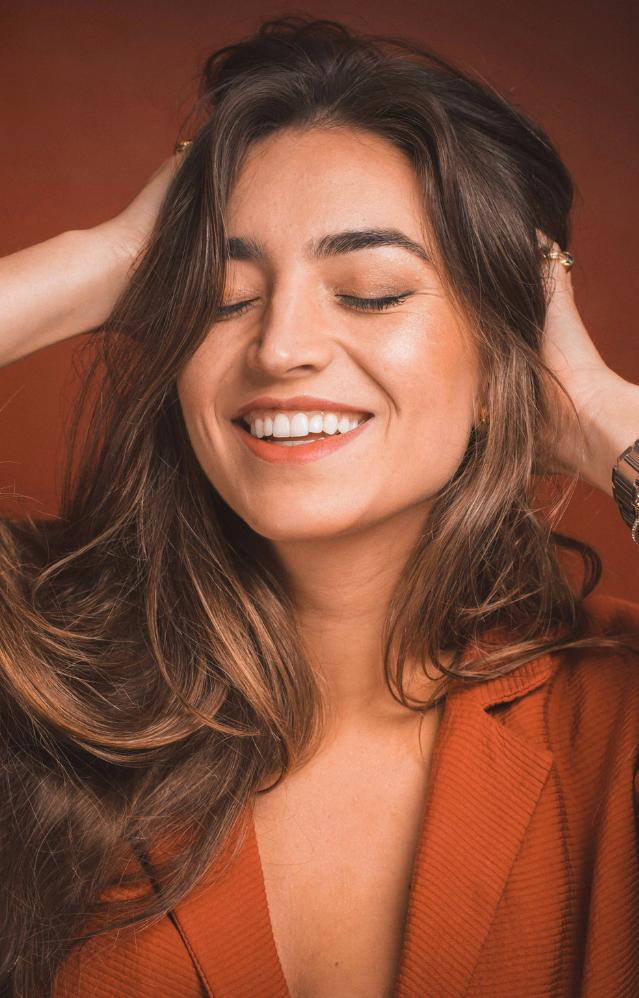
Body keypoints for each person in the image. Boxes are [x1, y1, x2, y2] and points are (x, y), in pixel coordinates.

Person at [1, 16, 638, 998]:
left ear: (503, 364)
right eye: (222, 292)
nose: (280, 344)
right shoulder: (38, 689)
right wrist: (108, 257)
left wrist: (601, 413)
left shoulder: (616, 714)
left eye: (374, 291)